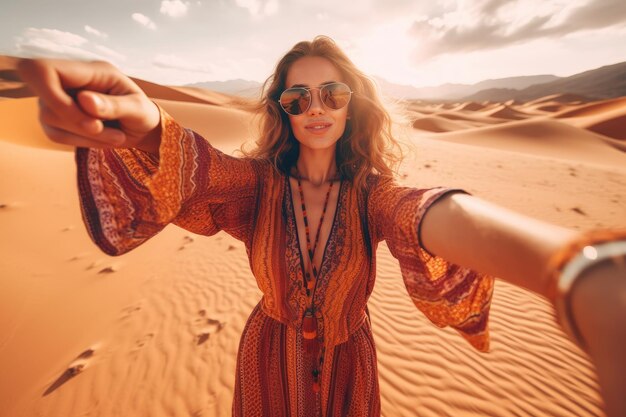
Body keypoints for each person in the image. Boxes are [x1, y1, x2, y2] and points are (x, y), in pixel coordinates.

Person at [17, 36, 626, 417]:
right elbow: (196, 165)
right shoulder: (253, 187)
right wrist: (146, 119)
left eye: (332, 94)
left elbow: (435, 213)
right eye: (296, 97)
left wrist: (574, 268)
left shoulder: (374, 196)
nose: (315, 108)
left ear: (353, 102)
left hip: (349, 365)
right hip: (266, 359)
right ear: (281, 108)